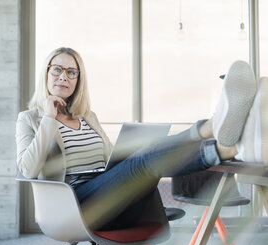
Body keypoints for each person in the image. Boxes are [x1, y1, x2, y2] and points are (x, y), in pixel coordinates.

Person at [16, 47, 267, 231]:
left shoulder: (87, 117)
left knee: (144, 152)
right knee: (143, 161)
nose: (64, 76)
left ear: (78, 81)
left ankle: (227, 138)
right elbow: (27, 169)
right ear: (46, 73)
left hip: (107, 190)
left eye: (72, 72)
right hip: (74, 204)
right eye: (57, 69)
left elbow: (111, 159)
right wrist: (49, 118)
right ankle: (223, 136)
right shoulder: (29, 119)